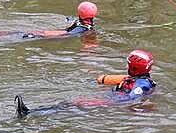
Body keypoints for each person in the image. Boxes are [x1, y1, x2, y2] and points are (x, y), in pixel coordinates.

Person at [15, 48, 156, 117]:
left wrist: (106, 102)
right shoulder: (138, 80)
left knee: (74, 102)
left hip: (112, 102)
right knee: (69, 102)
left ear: (134, 68)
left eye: (128, 64)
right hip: (112, 99)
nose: (126, 66)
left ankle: (31, 113)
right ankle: (36, 111)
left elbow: (130, 98)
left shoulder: (141, 85)